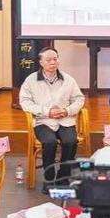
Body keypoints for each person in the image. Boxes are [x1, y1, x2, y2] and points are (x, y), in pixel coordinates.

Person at [19, 47, 85, 194]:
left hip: (65, 120)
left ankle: (63, 177)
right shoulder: (31, 80)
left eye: (55, 59)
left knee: (70, 141)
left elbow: (79, 99)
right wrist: (47, 111)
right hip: (43, 121)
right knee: (49, 142)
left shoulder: (68, 79)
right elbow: (25, 102)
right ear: (41, 62)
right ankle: (48, 179)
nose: (53, 62)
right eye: (48, 60)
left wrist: (67, 111)